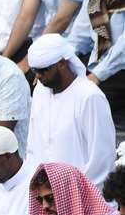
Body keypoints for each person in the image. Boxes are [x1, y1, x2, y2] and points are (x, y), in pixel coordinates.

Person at [23, 36, 112, 185]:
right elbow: (33, 145)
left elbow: (101, 161)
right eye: (34, 70)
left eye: (43, 70)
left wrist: (72, 194)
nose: (38, 76)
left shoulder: (90, 97)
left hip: (82, 196)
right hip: (44, 194)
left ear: (62, 63)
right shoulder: (40, 91)